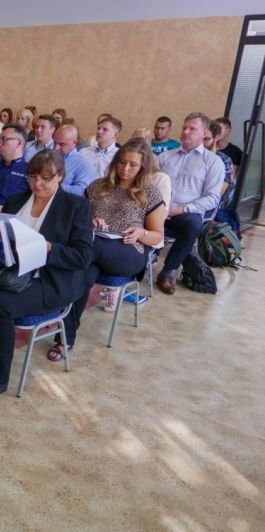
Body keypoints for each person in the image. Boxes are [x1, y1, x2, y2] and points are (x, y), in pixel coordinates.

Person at [0, 150, 92, 404]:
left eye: (46, 178)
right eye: (33, 177)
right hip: (13, 272)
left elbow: (82, 257)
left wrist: (49, 248)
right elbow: (6, 244)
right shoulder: (16, 200)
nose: (38, 184)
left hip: (50, 280)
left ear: (60, 176)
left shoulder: (76, 206)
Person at [54, 139, 165, 360]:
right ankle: (65, 339)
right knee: (83, 273)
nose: (125, 168)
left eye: (132, 165)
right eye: (122, 162)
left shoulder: (150, 193)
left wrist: (140, 233)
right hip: (95, 250)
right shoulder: (98, 186)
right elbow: (78, 220)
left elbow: (157, 235)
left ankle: (52, 291)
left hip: (129, 251)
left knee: (85, 251)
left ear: (143, 167)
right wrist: (91, 221)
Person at [155, 113, 225, 294]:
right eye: (184, 127)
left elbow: (212, 198)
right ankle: (132, 264)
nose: (186, 131)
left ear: (205, 133)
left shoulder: (213, 162)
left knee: (193, 224)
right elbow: (151, 184)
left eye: (192, 128)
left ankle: (167, 272)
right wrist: (158, 207)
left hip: (185, 213)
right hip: (158, 209)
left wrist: (181, 209)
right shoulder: (165, 157)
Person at [52, 124, 95, 196]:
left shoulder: (83, 164)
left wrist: (53, 186)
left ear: (75, 142)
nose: (56, 148)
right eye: (55, 143)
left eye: (61, 144)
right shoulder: (49, 156)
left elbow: (82, 190)